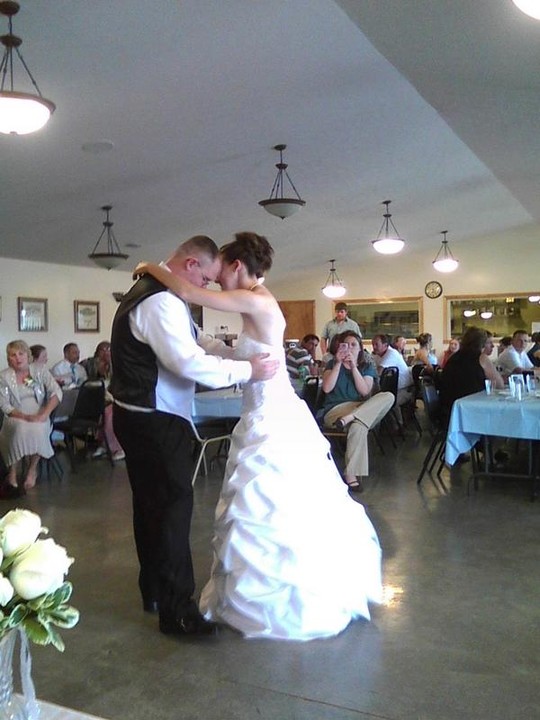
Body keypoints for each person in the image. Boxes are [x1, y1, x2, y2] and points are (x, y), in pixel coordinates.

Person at [134, 232, 382, 641]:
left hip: (271, 415)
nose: (215, 281)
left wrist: (148, 267)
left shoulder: (257, 300)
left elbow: (186, 291)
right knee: (265, 502)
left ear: (237, 266)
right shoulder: (254, 301)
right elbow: (238, 350)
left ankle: (282, 596)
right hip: (260, 411)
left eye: (220, 273)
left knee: (272, 501)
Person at [110, 235, 279, 638]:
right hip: (154, 419)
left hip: (138, 415)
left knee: (150, 507)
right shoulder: (160, 301)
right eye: (205, 278)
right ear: (190, 265)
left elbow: (194, 339)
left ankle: (154, 590)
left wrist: (229, 352)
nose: (205, 286)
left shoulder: (156, 292)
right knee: (172, 509)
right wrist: (247, 371)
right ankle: (178, 612)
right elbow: (187, 362)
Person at [318, 331, 394, 492]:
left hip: (359, 408)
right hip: (336, 410)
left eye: (354, 345)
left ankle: (350, 418)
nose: (350, 348)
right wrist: (338, 364)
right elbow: (327, 388)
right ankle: (351, 475)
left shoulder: (366, 367)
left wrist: (353, 367)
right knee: (359, 425)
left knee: (388, 396)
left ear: (360, 349)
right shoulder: (332, 364)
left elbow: (365, 391)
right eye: (346, 345)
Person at [0, 340, 62, 493]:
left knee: (39, 428)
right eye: (13, 355)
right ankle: (12, 473)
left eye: (21, 354)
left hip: (39, 414)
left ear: (28, 355)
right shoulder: (4, 376)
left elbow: (56, 392)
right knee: (20, 428)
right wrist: (24, 417)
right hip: (15, 415)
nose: (18, 358)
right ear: (8, 359)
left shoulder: (39, 371)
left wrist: (44, 414)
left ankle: (32, 469)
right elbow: (4, 405)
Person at [82, 341, 125, 462]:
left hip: (114, 398)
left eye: (109, 349)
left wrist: (110, 364)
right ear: (97, 351)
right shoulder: (90, 363)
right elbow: (91, 378)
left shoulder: (117, 364)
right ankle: (104, 445)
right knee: (104, 413)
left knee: (110, 414)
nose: (106, 352)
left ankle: (115, 447)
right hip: (96, 397)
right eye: (103, 350)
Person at [439, 327, 487, 423]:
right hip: (470, 411)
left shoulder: (453, 358)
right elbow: (499, 384)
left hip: (449, 408)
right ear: (482, 344)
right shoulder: (481, 358)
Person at [371, 333, 414, 427]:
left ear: (385, 345)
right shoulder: (377, 355)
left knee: (380, 402)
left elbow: (378, 372)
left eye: (376, 344)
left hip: (405, 390)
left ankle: (397, 426)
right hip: (392, 389)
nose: (374, 347)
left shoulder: (391, 353)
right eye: (372, 344)